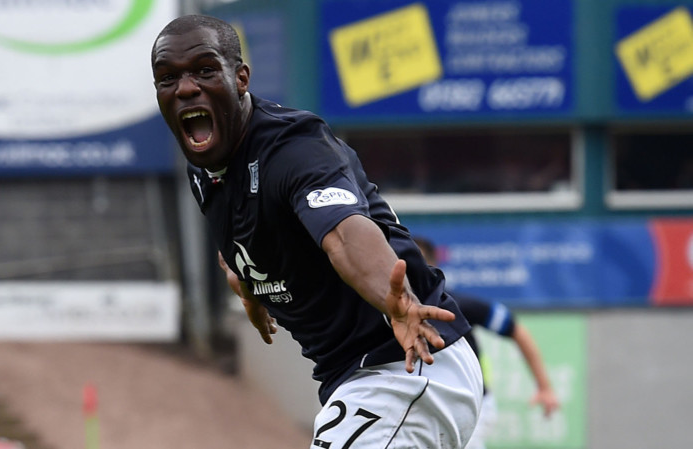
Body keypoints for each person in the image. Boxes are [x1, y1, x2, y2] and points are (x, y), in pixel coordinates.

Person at [151, 14, 483, 448]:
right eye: (167, 78)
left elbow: (344, 236)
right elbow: (238, 245)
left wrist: (394, 300)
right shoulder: (206, 168)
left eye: (205, 70)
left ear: (241, 78)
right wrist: (250, 289)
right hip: (355, 378)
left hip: (409, 359)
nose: (186, 87)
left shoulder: (294, 148)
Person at [413, 236, 560, 449]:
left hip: (472, 405)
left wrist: (544, 387)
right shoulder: (384, 313)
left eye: (417, 262)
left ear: (433, 266)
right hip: (425, 407)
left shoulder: (457, 305)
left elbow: (516, 330)